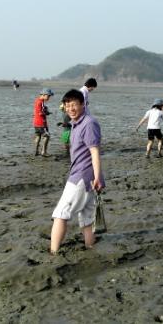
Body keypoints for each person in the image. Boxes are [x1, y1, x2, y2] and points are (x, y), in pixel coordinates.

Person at [50, 89, 105, 253]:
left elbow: (95, 151)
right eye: (67, 105)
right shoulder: (76, 123)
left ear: (83, 104)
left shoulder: (88, 123)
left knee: (60, 214)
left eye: (74, 104)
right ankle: (91, 248)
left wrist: (97, 178)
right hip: (84, 177)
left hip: (82, 178)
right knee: (87, 219)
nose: (70, 108)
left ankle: (53, 253)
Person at [33, 88, 54, 156]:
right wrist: (47, 113)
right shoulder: (41, 102)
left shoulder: (36, 101)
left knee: (38, 136)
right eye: (48, 96)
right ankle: (44, 152)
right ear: (44, 95)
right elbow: (40, 113)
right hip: (41, 123)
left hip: (36, 123)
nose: (49, 98)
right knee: (47, 136)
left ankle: (36, 151)